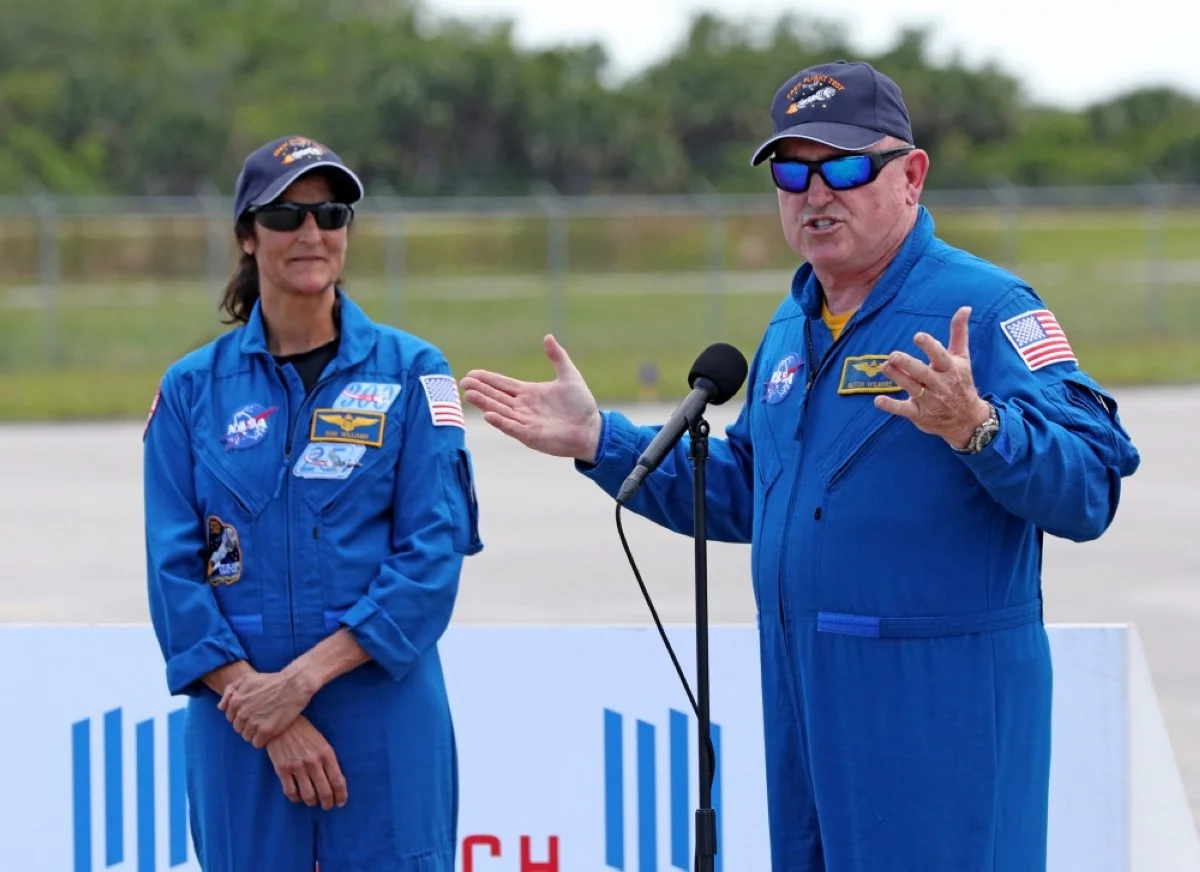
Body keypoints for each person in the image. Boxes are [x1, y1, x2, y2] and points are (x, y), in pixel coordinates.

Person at [460, 60, 1141, 871]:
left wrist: (981, 427)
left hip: (939, 715)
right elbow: (753, 487)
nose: (816, 193)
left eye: (846, 166)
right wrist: (598, 441)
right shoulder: (794, 322)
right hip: (805, 709)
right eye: (793, 170)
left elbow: (1091, 485)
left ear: (912, 175)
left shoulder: (989, 309)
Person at [142, 134, 483, 872]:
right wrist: (261, 709)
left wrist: (298, 685)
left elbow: (432, 554)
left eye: (330, 214)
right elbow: (174, 571)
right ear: (245, 233)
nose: (310, 233)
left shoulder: (416, 373)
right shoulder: (189, 391)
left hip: (380, 703)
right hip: (239, 715)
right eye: (284, 215)